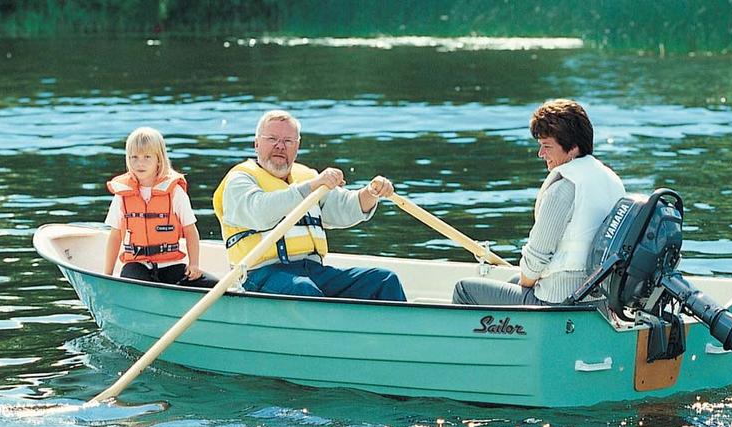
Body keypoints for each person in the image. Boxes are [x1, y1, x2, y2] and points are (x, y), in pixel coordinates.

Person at [212, 110, 406, 301]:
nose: (280, 146)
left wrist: (371, 192)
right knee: (303, 290)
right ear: (256, 144)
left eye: (288, 141)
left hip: (313, 270)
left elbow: (344, 209)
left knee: (384, 280)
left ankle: (398, 332)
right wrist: (312, 186)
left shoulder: (308, 177)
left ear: (297, 147)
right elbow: (260, 212)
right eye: (272, 139)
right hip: (258, 274)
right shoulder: (239, 180)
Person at [453, 99, 625, 305]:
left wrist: (527, 282)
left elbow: (536, 260)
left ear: (573, 148)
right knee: (513, 281)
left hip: (558, 302)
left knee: (464, 289)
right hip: (596, 299)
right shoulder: (609, 178)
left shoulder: (564, 189)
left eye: (547, 146)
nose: (541, 154)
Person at [103, 127, 218, 287]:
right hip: (137, 266)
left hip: (171, 264)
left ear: (159, 159)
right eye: (134, 157)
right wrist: (107, 275)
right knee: (134, 281)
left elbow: (191, 231)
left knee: (215, 286)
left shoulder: (175, 192)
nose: (139, 163)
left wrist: (194, 264)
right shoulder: (122, 194)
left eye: (147, 157)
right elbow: (115, 236)